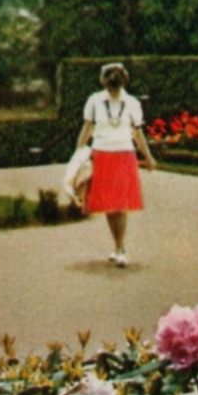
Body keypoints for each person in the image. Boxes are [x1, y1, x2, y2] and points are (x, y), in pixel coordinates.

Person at [76, 62, 156, 267]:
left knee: (120, 204)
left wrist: (148, 157)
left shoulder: (131, 103)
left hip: (123, 154)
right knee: (109, 205)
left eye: (116, 84)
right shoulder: (94, 101)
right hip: (101, 154)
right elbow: (87, 127)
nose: (113, 88)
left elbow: (137, 133)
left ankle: (121, 248)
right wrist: (79, 153)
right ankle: (117, 246)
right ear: (103, 82)